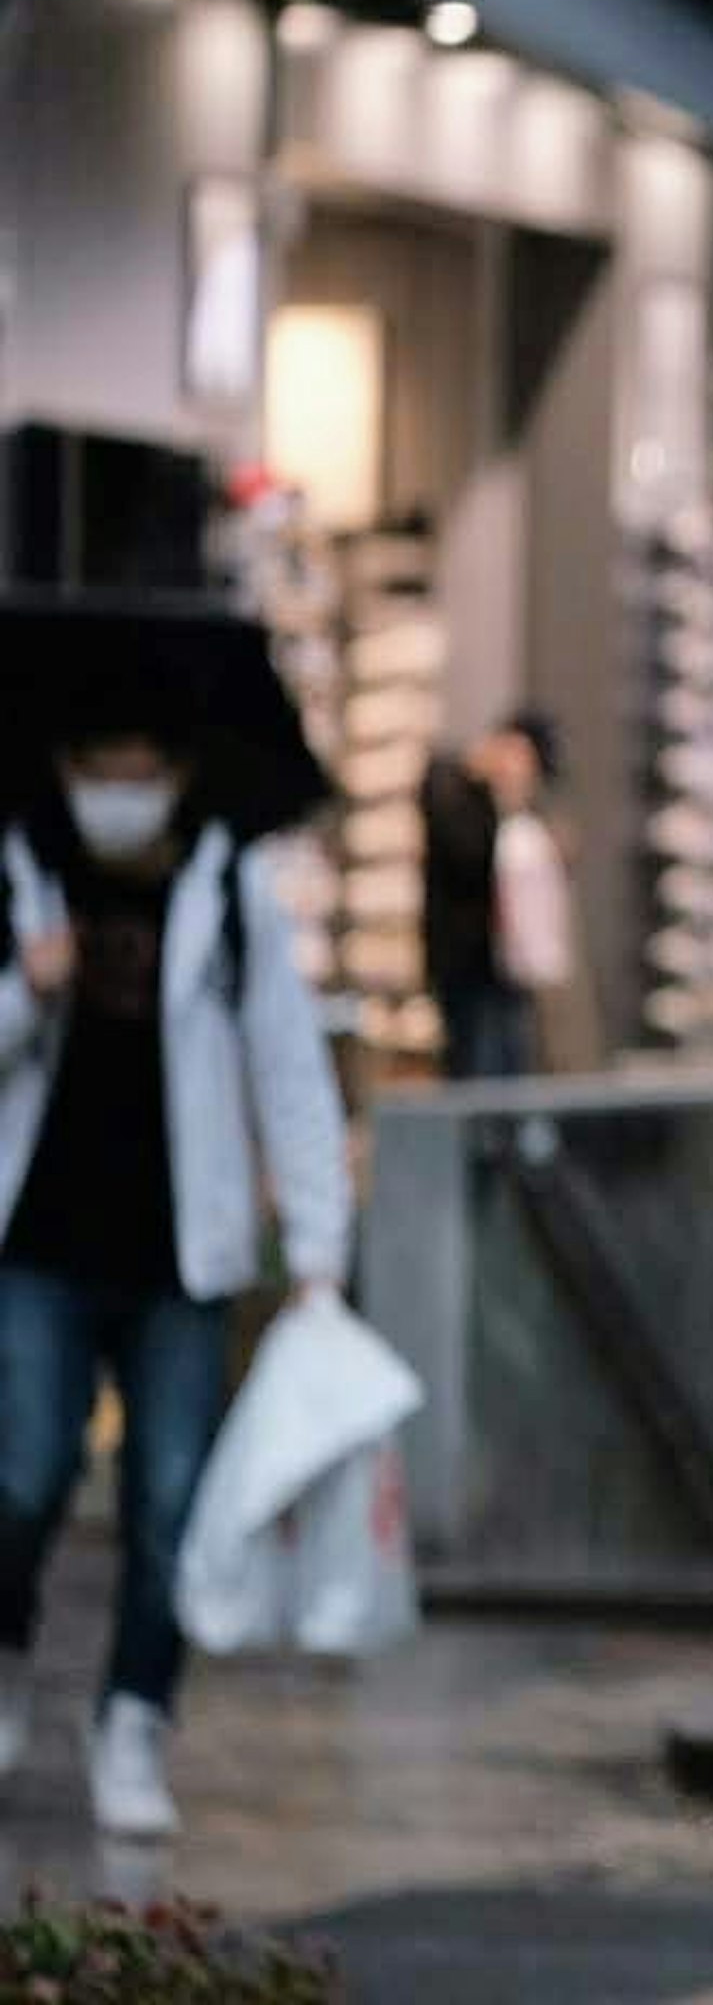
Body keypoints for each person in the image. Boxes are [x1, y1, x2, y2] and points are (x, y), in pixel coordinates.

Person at [0, 694, 350, 1839]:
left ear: (179, 768)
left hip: (179, 1256)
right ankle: (5, 1659)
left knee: (171, 1504)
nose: (116, 783)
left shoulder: (229, 885)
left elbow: (289, 1071)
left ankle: (136, 1719)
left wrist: (315, 1249)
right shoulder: (22, 871)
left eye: (135, 759)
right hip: (37, 1240)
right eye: (96, 757)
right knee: (25, 1473)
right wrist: (26, 989)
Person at [421, 711, 572, 1080]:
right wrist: (500, 798)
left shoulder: (514, 805)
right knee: (473, 1064)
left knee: (512, 1063)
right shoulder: (448, 782)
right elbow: (467, 854)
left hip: (508, 963)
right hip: (463, 960)